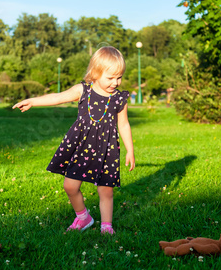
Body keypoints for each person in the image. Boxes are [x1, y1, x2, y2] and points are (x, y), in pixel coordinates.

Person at [12, 46, 135, 235]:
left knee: (106, 191)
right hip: (82, 147)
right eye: (110, 78)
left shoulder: (119, 99)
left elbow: (124, 125)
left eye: (119, 77)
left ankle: (106, 226)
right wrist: (33, 101)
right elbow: (58, 97)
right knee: (70, 185)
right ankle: (83, 217)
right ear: (95, 73)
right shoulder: (83, 90)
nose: (115, 82)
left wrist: (130, 150)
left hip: (106, 149)